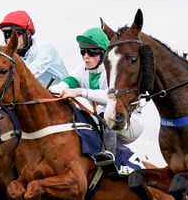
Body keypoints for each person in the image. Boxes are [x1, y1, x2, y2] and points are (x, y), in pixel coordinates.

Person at [50, 27, 143, 170]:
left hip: (129, 123)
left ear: (103, 54)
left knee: (103, 108)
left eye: (91, 52)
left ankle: (109, 153)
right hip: (107, 123)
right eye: (83, 51)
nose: (86, 56)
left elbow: (112, 98)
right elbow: (64, 84)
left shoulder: (110, 72)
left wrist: (80, 92)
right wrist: (50, 92)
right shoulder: (81, 70)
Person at [0, 10, 68, 88]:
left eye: (15, 33)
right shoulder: (9, 54)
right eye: (7, 34)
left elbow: (30, 73)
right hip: (36, 96)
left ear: (27, 34)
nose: (10, 39)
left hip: (62, 94)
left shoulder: (43, 46)